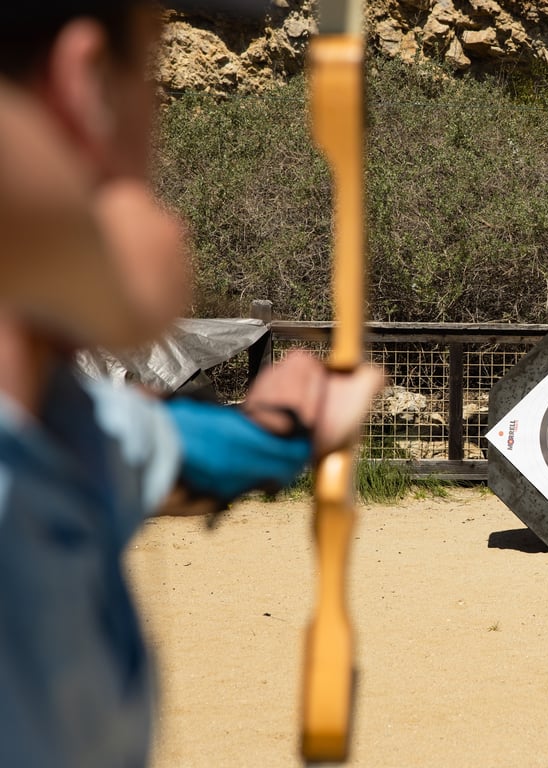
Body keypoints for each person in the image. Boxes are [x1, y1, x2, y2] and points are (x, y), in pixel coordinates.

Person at [0, 1, 381, 765]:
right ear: (85, 89)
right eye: (148, 74)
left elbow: (159, 447)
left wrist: (279, 430)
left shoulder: (59, 426)